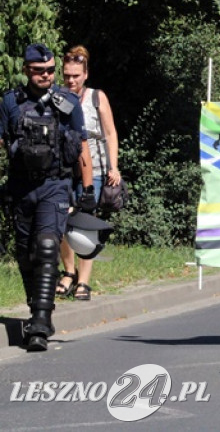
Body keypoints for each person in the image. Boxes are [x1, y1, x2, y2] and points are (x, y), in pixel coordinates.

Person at [1, 44, 92, 351]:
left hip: (55, 184)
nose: (47, 75)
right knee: (26, 253)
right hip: (21, 187)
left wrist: (89, 189)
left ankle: (41, 321)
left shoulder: (66, 102)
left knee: (47, 244)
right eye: (40, 71)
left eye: (51, 70)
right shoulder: (10, 102)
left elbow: (81, 147)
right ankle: (34, 306)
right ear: (26, 70)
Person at [56, 46, 121, 302]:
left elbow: (110, 133)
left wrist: (113, 167)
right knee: (60, 221)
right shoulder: (57, 96)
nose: (71, 80)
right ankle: (68, 272)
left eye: (75, 75)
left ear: (85, 74)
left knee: (84, 223)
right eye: (67, 76)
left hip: (93, 168)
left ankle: (84, 280)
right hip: (63, 167)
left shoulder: (96, 97)